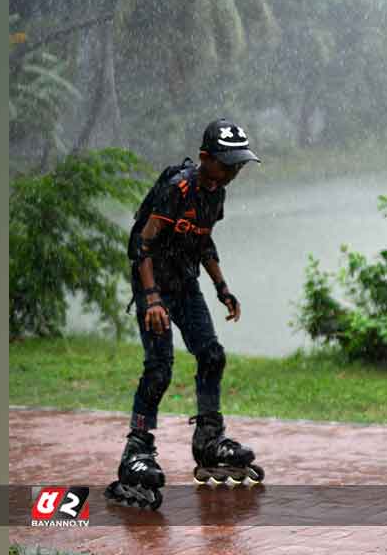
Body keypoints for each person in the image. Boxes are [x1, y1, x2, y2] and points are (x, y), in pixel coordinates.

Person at [104, 118, 265, 510]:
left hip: (185, 282)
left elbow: (203, 239)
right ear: (205, 158)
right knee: (159, 367)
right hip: (153, 284)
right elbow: (141, 245)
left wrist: (222, 287)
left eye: (239, 165)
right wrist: (152, 299)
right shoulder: (178, 187)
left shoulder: (216, 193)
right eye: (227, 163)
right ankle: (136, 452)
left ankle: (209, 439)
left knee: (212, 354)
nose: (233, 172)